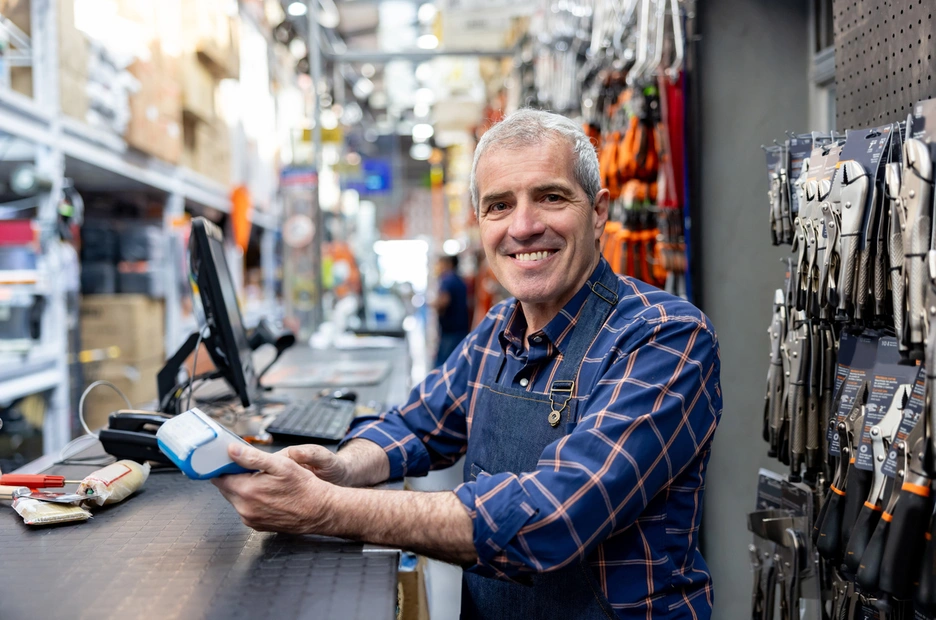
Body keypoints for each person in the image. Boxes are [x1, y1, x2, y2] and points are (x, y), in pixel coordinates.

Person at [213, 109, 722, 619]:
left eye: (550, 196)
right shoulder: (496, 334)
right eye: (499, 205)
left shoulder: (665, 337)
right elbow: (415, 425)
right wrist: (344, 467)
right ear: (480, 222)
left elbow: (555, 519)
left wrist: (326, 507)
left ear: (597, 211)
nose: (524, 227)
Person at [431, 253, 471, 367]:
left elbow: (444, 302)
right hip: (461, 327)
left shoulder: (447, 280)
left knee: (442, 365)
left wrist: (433, 304)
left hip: (450, 331)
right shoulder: (460, 280)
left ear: (448, 264)